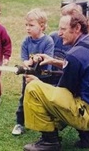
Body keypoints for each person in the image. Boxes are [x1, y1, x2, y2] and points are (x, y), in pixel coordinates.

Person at [22, 9, 89, 151]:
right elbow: (83, 67)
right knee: (50, 91)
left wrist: (37, 82)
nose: (59, 33)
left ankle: (49, 142)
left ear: (77, 28)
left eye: (63, 29)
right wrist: (55, 61)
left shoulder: (74, 55)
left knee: (34, 89)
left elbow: (63, 91)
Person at [12, 8, 54, 136]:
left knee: (45, 101)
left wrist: (39, 58)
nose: (28, 28)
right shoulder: (26, 41)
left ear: (41, 26)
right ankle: (20, 123)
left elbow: (48, 61)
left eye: (31, 25)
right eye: (26, 25)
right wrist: (28, 62)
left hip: (44, 77)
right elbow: (24, 59)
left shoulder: (48, 41)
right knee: (24, 99)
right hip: (28, 76)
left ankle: (49, 125)